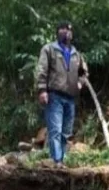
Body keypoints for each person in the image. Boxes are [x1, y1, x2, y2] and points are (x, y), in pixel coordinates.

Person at [35, 22, 89, 166]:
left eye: (69, 30)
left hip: (70, 97)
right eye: (63, 29)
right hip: (54, 95)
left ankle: (62, 159)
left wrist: (80, 83)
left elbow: (84, 72)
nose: (67, 32)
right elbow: (41, 70)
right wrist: (42, 90)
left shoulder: (76, 54)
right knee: (55, 129)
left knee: (66, 131)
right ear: (58, 32)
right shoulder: (49, 49)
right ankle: (57, 160)